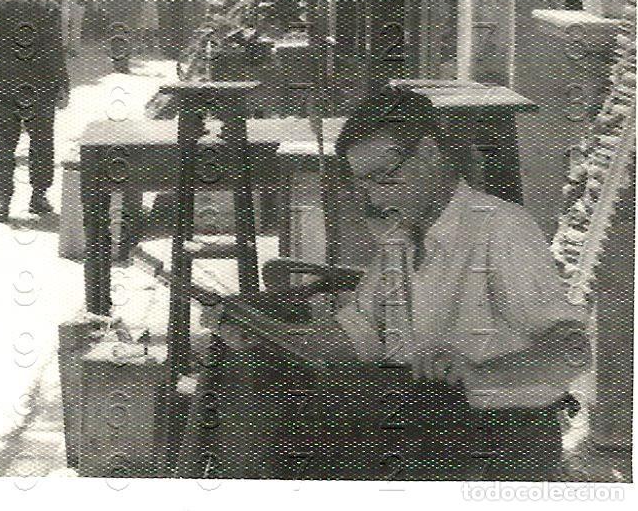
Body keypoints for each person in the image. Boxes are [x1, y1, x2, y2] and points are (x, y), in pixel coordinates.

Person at [209, 88, 591, 480]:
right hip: (426, 424)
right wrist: (269, 335)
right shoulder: (400, 240)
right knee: (275, 395)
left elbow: (573, 352)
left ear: (428, 152)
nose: (374, 199)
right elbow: (357, 336)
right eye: (364, 185)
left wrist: (480, 374)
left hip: (501, 437)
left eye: (383, 178)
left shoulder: (500, 227)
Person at [0, 0, 69, 222]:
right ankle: (38, 197)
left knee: (1, 143)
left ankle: (2, 202)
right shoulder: (49, 3)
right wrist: (63, 84)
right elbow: (55, 48)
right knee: (41, 142)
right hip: (40, 84)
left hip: (2, 81)